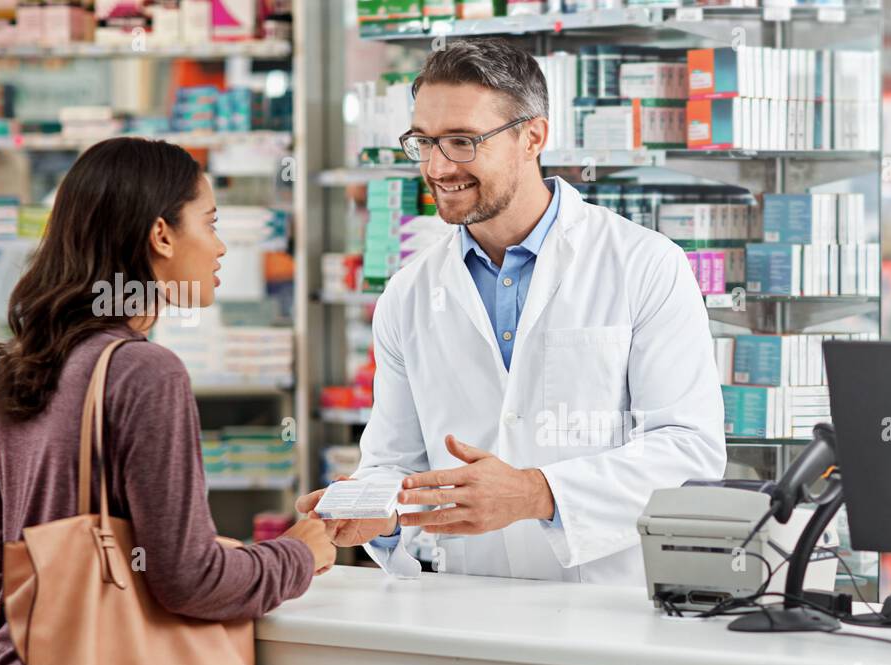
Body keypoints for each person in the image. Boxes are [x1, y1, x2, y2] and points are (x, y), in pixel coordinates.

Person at [0, 137, 335, 665]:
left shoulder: (16, 370)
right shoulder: (145, 374)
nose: (221, 246)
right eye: (212, 221)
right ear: (160, 235)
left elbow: (4, 573)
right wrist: (300, 553)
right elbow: (187, 579)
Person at [297, 38, 726, 584]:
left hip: (609, 608)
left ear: (533, 136)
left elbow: (689, 451)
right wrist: (377, 510)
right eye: (423, 142)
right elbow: (394, 461)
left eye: (461, 141)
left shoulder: (644, 264)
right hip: (468, 605)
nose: (437, 166)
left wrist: (536, 494)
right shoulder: (408, 293)